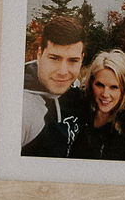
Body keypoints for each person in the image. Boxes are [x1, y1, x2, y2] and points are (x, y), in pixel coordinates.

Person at [21, 14, 86, 156]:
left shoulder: (74, 86)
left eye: (73, 60)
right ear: (39, 54)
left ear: (81, 59)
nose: (63, 72)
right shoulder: (22, 110)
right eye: (55, 58)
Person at [72, 49, 125, 162]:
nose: (105, 94)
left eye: (114, 87)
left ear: (124, 89)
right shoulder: (78, 108)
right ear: (91, 84)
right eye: (99, 85)